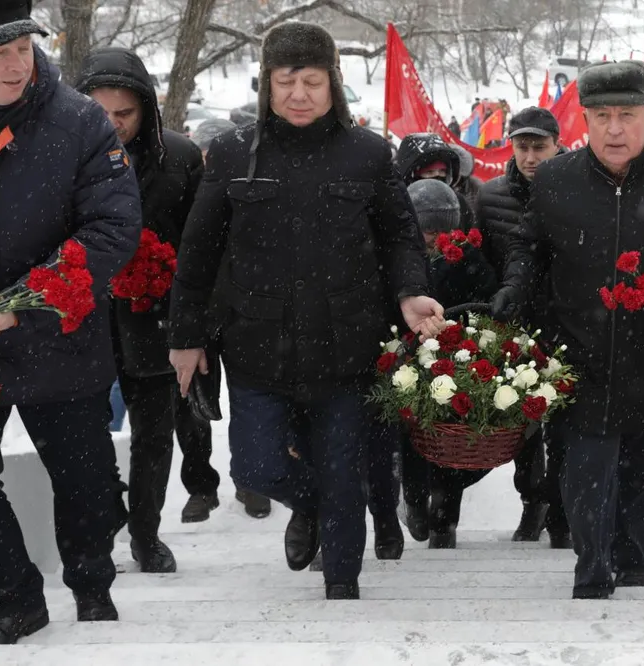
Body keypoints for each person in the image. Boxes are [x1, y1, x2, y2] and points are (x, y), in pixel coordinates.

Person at [168, 22, 444, 601]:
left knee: (346, 472)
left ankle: (343, 589)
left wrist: (410, 292)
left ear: (334, 84)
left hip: (346, 345)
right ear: (267, 84)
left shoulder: (368, 153)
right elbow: (199, 252)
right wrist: (187, 335)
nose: (299, 94)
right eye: (285, 81)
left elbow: (399, 238)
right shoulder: (234, 152)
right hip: (255, 344)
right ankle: (312, 508)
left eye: (312, 81)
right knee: (257, 469)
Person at [494, 61, 644, 599]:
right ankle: (592, 570)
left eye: (627, 115)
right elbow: (531, 249)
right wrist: (514, 288)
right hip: (580, 356)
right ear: (585, 120)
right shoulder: (555, 180)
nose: (614, 129)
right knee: (584, 477)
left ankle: (634, 563)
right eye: (602, 116)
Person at [0, 3, 141, 644]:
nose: (17, 63)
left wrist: (17, 304)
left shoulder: (78, 120)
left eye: (24, 47)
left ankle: (92, 585)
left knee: (85, 478)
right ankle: (13, 597)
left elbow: (113, 227)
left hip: (59, 338)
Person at [76, 48, 213, 574]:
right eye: (100, 112)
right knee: (83, 432)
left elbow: (199, 248)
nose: (112, 125)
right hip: (84, 322)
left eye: (125, 114)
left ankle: (145, 534)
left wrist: (189, 318)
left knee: (154, 436)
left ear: (146, 109)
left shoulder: (179, 159)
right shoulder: (61, 154)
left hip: (156, 319)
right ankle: (108, 506)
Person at [475, 106, 570, 547]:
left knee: (567, 427)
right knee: (524, 425)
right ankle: (534, 503)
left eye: (540, 148)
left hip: (571, 324)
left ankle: (564, 509)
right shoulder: (490, 197)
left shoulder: (579, 189)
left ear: (558, 145)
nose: (531, 157)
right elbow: (479, 262)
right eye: (523, 147)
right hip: (513, 324)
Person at [402, 179, 498, 547]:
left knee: (453, 442)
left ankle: (444, 516)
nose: (434, 238)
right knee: (411, 440)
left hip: (456, 359)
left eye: (442, 230)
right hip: (407, 359)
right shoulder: (400, 257)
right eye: (426, 230)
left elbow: (484, 299)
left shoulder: (468, 257)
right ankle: (413, 497)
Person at [189, 116, 272, 520]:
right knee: (194, 402)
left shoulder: (248, 186)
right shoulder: (187, 187)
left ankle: (251, 482)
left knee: (247, 399)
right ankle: (201, 484)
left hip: (241, 309)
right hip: (198, 312)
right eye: (204, 155)